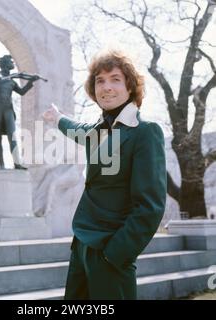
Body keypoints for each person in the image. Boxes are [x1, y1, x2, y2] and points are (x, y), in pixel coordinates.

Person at [42, 49, 167, 300]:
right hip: (82, 245)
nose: (106, 87)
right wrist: (57, 118)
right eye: (100, 80)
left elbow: (149, 207)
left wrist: (116, 254)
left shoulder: (145, 132)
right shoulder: (96, 132)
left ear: (130, 87)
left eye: (115, 79)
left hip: (111, 251)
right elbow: (75, 128)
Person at [0, 55, 39, 170]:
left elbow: (22, 92)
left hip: (8, 109)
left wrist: (30, 82)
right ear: (5, 63)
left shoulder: (11, 81)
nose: (13, 63)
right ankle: (1, 165)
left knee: (12, 136)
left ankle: (17, 163)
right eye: (11, 62)